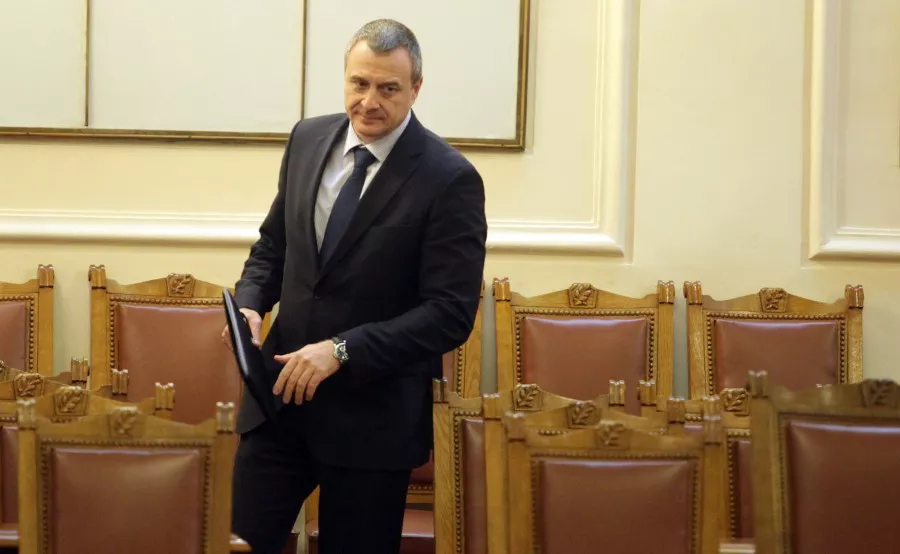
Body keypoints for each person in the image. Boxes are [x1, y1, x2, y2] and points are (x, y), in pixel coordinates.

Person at [222, 18, 487, 554]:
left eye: (388, 88)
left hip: (372, 423)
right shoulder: (306, 139)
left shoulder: (450, 179)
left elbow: (449, 313)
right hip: (278, 405)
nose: (369, 102)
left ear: (416, 88)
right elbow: (274, 246)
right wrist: (250, 304)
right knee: (236, 545)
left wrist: (342, 350)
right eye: (359, 84)